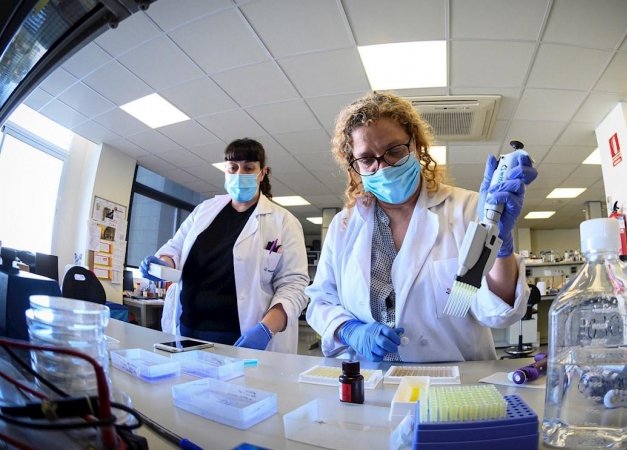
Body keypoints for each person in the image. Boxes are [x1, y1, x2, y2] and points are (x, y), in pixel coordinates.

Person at [305, 92, 537, 362]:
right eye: (367, 159)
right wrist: (349, 330)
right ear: (354, 166)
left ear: (416, 145)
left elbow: (497, 314)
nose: (383, 167)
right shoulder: (344, 226)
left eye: (394, 150)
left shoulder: (467, 209)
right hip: (369, 380)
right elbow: (321, 300)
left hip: (454, 385)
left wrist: (501, 246)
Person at [139, 138, 309, 352]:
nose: (240, 174)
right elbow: (175, 248)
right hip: (187, 329)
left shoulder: (283, 221)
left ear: (262, 173)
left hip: (242, 337)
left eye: (248, 168)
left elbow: (295, 285)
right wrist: (162, 263)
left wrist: (266, 329)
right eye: (233, 167)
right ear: (226, 171)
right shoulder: (204, 210)